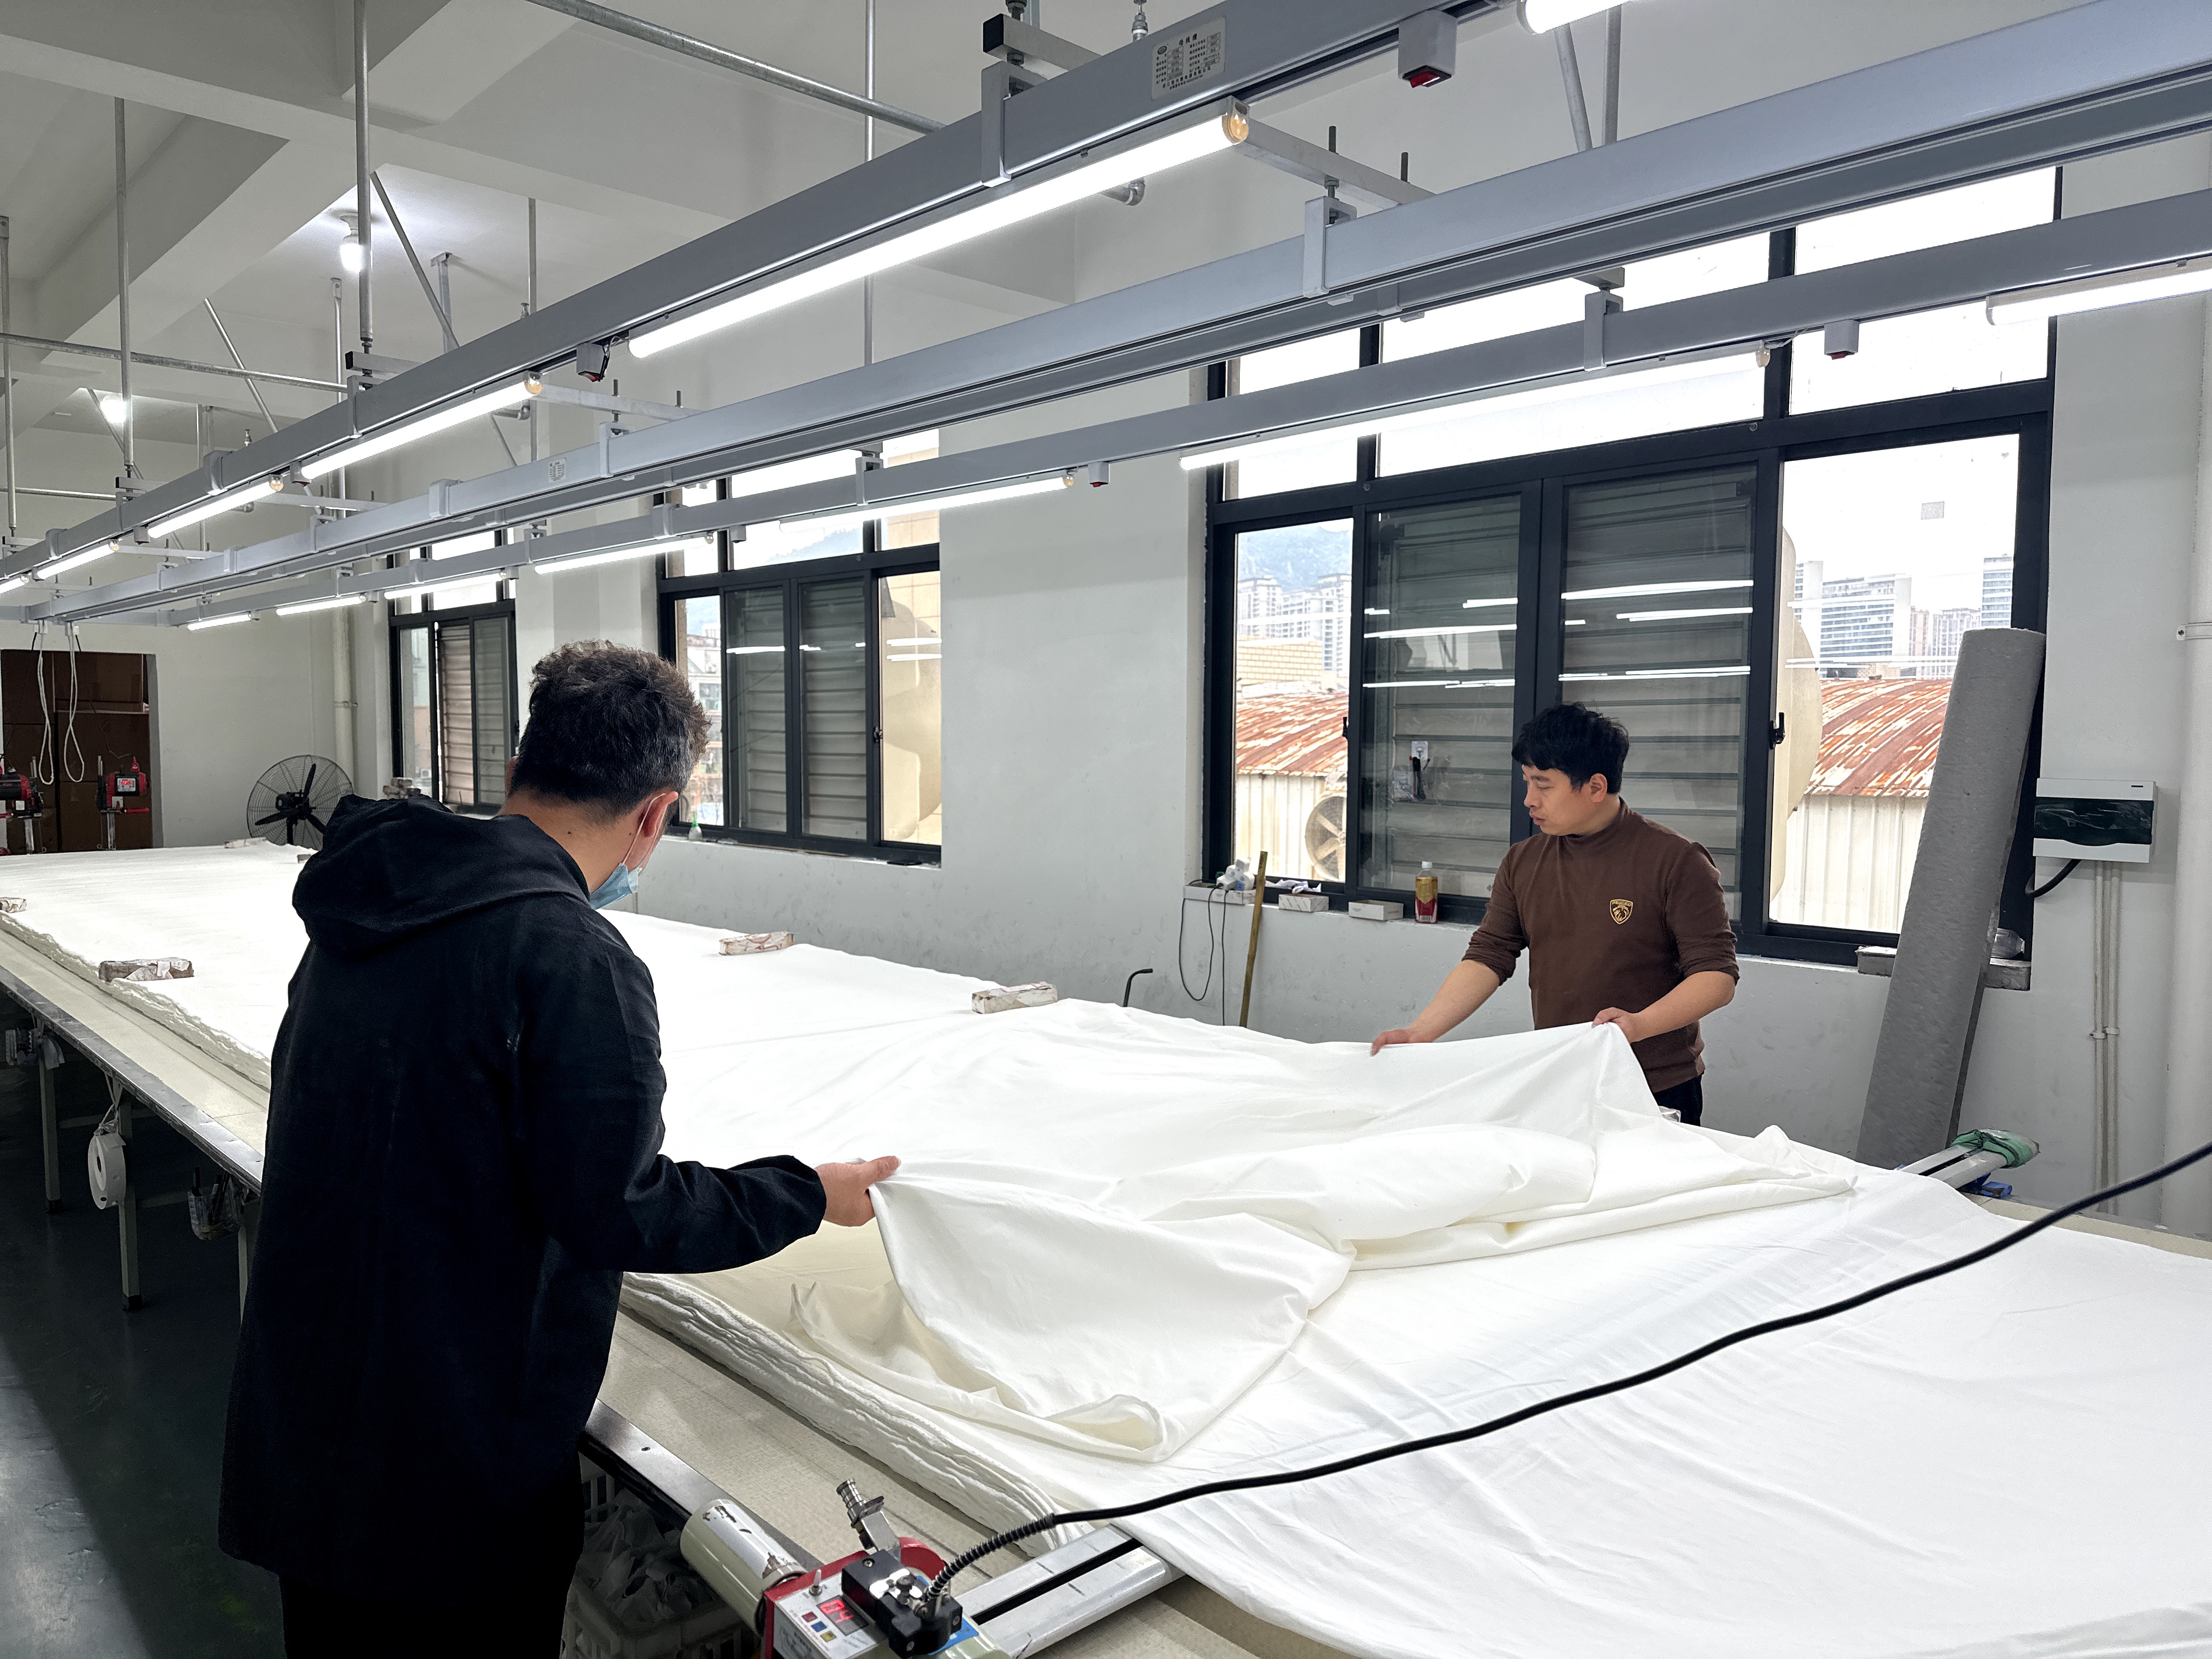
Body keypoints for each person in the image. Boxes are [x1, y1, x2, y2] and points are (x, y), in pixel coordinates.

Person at [220, 641, 899, 1656]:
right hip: (443, 1478)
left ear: (514, 774)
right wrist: (807, 1193)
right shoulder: (570, 956)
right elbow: (617, 1209)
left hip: (308, 1426)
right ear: (655, 814)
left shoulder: (363, 909)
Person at [1370, 702, 1739, 1124]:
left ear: (1595, 787)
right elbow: (1489, 955)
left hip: (1653, 1084)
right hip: (1560, 1076)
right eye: (1527, 782)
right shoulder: (1523, 862)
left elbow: (1716, 977)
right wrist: (1421, 1032)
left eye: (1543, 785)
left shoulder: (1677, 861)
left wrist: (1637, 1026)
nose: (1530, 800)